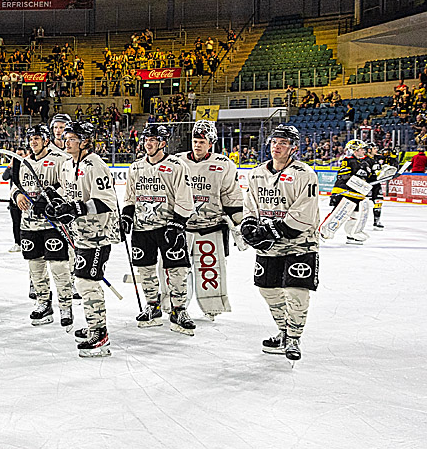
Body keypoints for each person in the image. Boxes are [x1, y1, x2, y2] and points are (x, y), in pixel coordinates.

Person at [240, 125, 319, 361]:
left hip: (300, 244)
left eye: (284, 142)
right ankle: (283, 331)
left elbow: (304, 211)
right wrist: (249, 225)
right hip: (269, 245)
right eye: (275, 141)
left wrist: (276, 228)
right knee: (268, 289)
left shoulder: (305, 174)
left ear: (293, 148)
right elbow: (250, 204)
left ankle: (294, 337)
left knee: (296, 291)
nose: (277, 146)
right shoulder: (256, 174)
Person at [43, 122, 121, 357]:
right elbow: (66, 194)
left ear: (85, 141)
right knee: (83, 280)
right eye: (65, 138)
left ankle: (100, 334)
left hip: (98, 234)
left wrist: (75, 208)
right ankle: (93, 324)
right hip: (81, 234)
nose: (66, 142)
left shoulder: (95, 165)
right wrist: (49, 200)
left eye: (72, 139)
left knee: (87, 282)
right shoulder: (67, 164)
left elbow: (106, 201)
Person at [121, 123, 197, 335]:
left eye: (153, 140)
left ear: (163, 143)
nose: (148, 143)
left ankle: (179, 309)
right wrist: (127, 215)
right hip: (142, 228)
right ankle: (152, 306)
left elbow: (185, 197)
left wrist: (177, 223)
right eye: (146, 139)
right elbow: (130, 196)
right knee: (145, 269)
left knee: (178, 270)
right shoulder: (136, 167)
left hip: (168, 227)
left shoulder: (176, 166)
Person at [176, 120, 243, 321]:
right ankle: (176, 305)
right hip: (182, 227)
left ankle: (212, 306)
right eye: (195, 140)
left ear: (211, 143)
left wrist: (240, 223)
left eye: (202, 141)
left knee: (210, 267)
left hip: (212, 226)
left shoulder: (224, 165)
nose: (197, 145)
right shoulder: (177, 161)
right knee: (179, 269)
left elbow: (231, 195)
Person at [10, 125, 72, 326]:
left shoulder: (59, 160)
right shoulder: (24, 162)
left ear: (46, 140)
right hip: (28, 225)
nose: (33, 142)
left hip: (51, 224)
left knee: (59, 267)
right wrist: (17, 195)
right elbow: (15, 186)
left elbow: (67, 185)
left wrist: (50, 198)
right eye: (31, 139)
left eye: (37, 138)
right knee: (35, 267)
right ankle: (43, 303)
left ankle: (65, 306)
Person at [326, 139, 374, 245]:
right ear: (354, 150)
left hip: (356, 194)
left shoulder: (365, 163)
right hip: (343, 192)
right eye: (361, 149)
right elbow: (343, 176)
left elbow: (370, 179)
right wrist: (357, 175)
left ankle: (351, 236)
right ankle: (324, 232)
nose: (364, 151)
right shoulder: (347, 160)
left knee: (355, 216)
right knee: (338, 214)